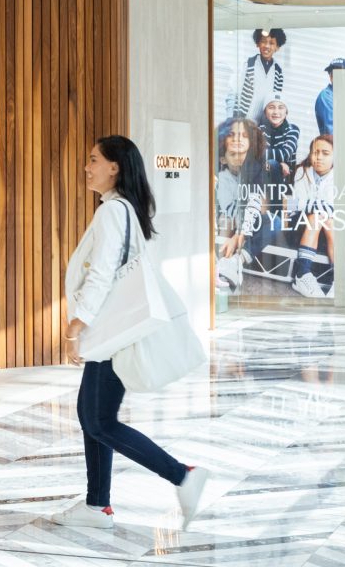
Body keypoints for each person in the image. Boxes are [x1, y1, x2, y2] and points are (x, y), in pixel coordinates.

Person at [53, 135, 208, 530]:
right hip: (111, 332)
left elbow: (102, 273)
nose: (86, 168)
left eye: (93, 160)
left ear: (114, 167)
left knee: (99, 421)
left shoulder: (112, 212)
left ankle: (182, 476)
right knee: (93, 417)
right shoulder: (122, 209)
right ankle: (96, 505)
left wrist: (77, 323)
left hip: (108, 331)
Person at [214, 116, 267, 291]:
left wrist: (239, 235)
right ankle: (224, 265)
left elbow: (257, 206)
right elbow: (226, 207)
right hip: (232, 217)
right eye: (232, 134)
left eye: (244, 135)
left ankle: (235, 261)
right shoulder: (221, 175)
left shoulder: (259, 169)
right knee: (225, 221)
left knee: (270, 221)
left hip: (251, 222)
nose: (237, 139)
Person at [288, 135, 336, 298]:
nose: (319, 157)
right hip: (299, 227)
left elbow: (334, 207)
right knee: (319, 216)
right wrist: (322, 208)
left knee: (328, 220)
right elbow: (293, 205)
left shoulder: (338, 176)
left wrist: (309, 205)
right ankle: (302, 274)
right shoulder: (302, 172)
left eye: (325, 153)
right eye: (315, 152)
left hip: (327, 232)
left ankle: (339, 279)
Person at [234, 28, 286, 124]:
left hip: (264, 124)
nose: (267, 46)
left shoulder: (278, 71)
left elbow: (276, 100)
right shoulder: (249, 64)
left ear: (277, 47)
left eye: (271, 43)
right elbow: (236, 93)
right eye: (263, 42)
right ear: (257, 43)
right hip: (244, 119)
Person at [315, 58, 345, 135]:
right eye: (332, 73)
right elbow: (333, 131)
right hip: (336, 145)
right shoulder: (326, 97)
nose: (333, 76)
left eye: (340, 74)